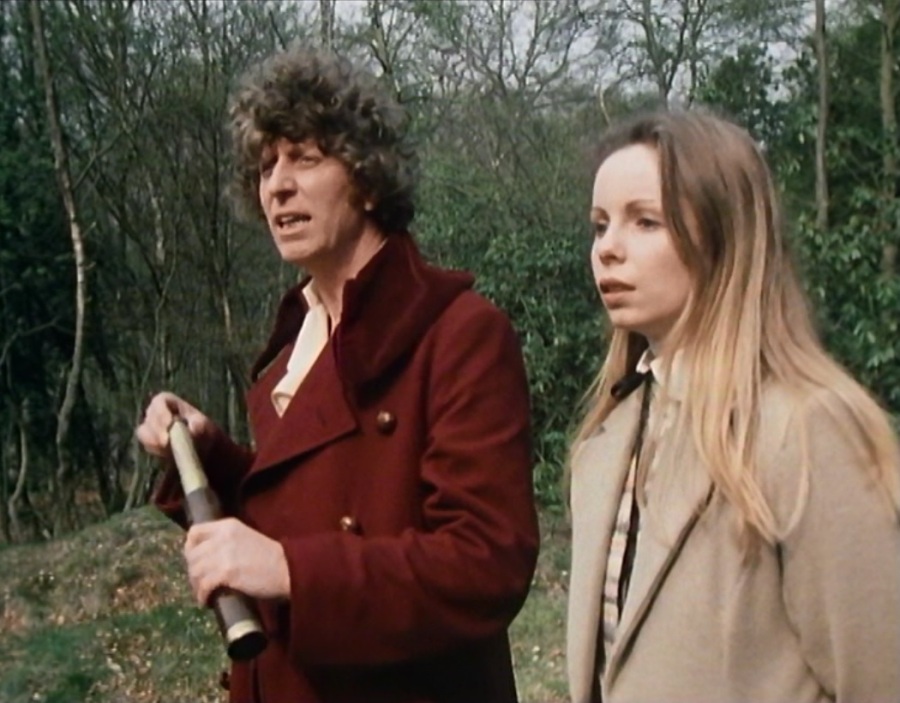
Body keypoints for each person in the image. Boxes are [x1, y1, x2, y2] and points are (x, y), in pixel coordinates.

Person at [136, 47, 539, 703]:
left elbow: (486, 563)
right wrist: (207, 455)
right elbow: (306, 505)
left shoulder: (460, 333)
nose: (277, 185)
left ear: (368, 179)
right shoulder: (292, 343)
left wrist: (290, 571)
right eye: (265, 166)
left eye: (304, 157)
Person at [566, 108, 900, 703]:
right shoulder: (605, 439)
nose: (608, 249)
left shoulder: (805, 428)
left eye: (646, 221)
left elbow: (880, 677)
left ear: (725, 238)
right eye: (599, 225)